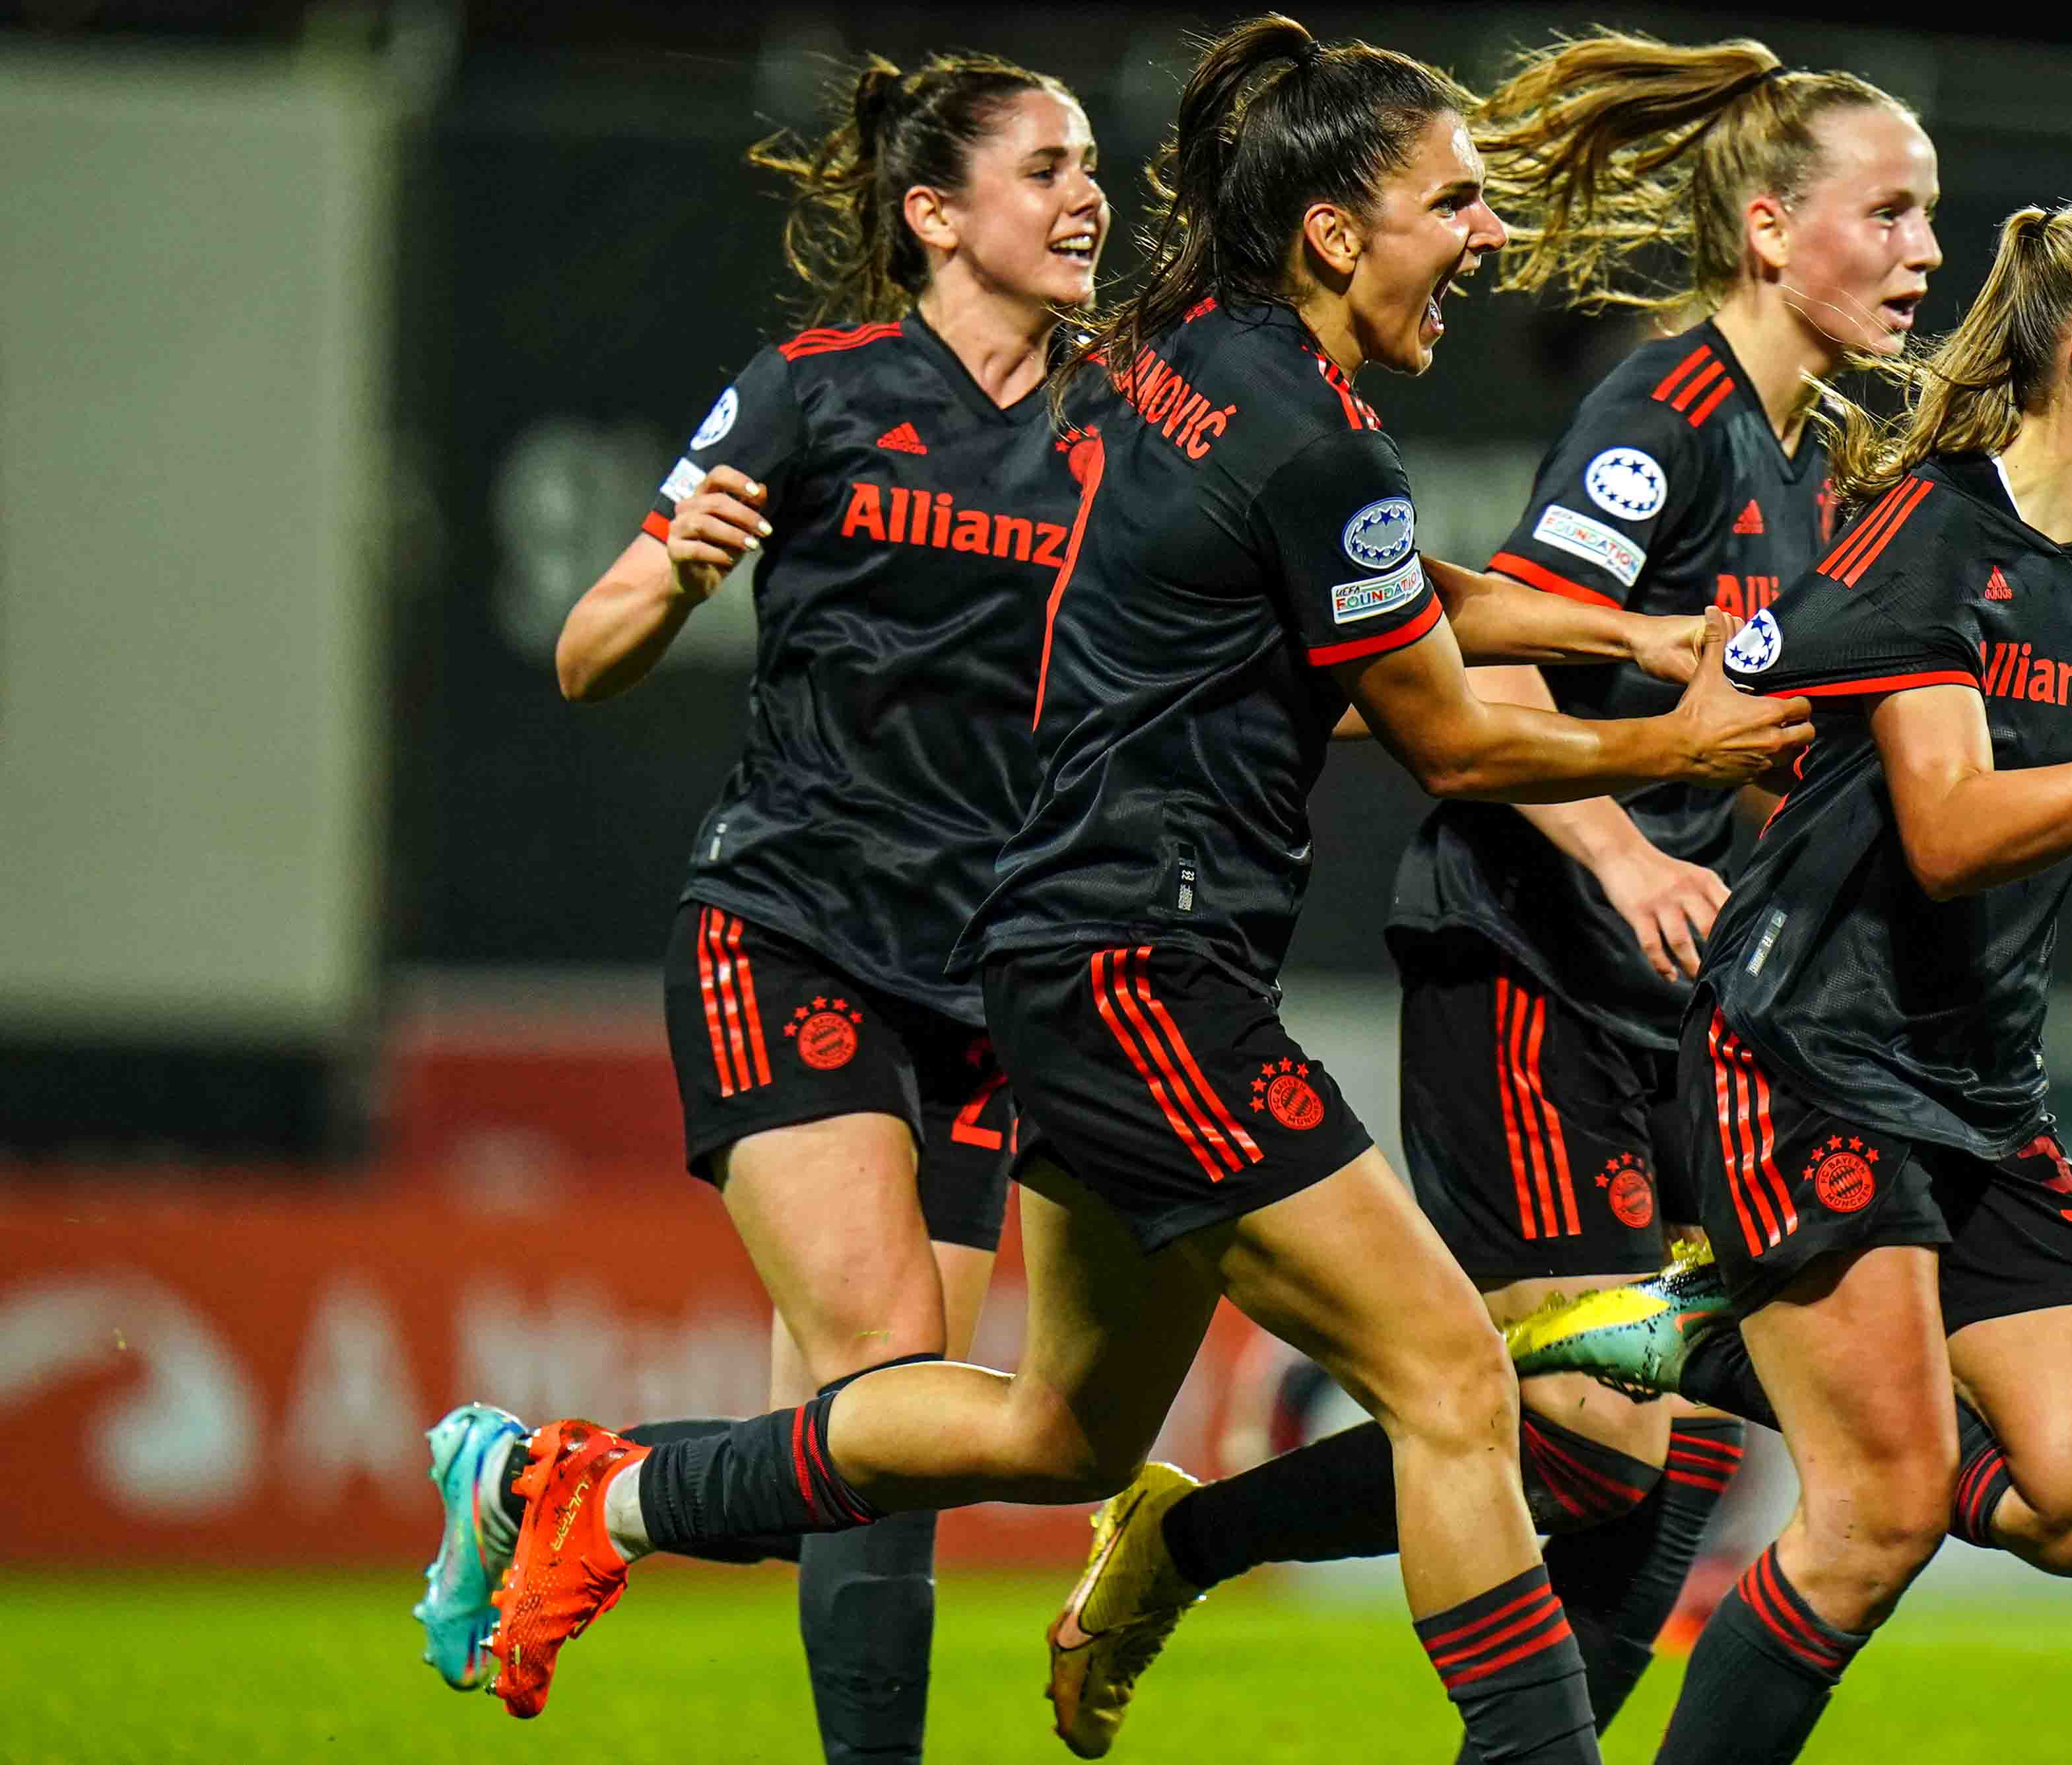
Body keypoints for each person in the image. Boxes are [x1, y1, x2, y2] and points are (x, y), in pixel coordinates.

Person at [471, 20, 1812, 1765]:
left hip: (1054, 956)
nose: (1481, 243)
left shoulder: (1191, 345)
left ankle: (592, 1487)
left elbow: (1392, 582)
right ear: (1334, 231)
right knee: (1452, 1380)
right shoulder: (1293, 437)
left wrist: (1628, 635)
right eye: (1452, 207)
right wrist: (1681, 741)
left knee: (1055, 1433)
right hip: (1138, 966)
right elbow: (1451, 741)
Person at [1044, 31, 1943, 1754]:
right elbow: (1477, 691)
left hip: (1668, 994)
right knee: (1565, 1424)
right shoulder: (1661, 417)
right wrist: (1631, 846)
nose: (1920, 251)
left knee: (1675, 1430)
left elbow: (1480, 600)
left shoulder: (1792, 445)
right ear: (1770, 227)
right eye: (1888, 212)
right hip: (1526, 949)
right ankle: (1200, 1538)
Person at [1518, 200, 2072, 1763]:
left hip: (1977, 1087)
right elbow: (1954, 830)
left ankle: (1708, 1329)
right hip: (1807, 1057)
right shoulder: (1927, 531)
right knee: (1874, 1517)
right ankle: (1747, 1326)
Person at [410, 51, 1108, 1765]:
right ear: (935, 215)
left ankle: (536, 1476)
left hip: (982, 972)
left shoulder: (1124, 424)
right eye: (1047, 167)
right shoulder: (811, 392)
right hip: (790, 925)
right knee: (890, 1375)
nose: (1092, 194)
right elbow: (588, 650)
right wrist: (683, 573)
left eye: (1098, 164)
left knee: (881, 1446)